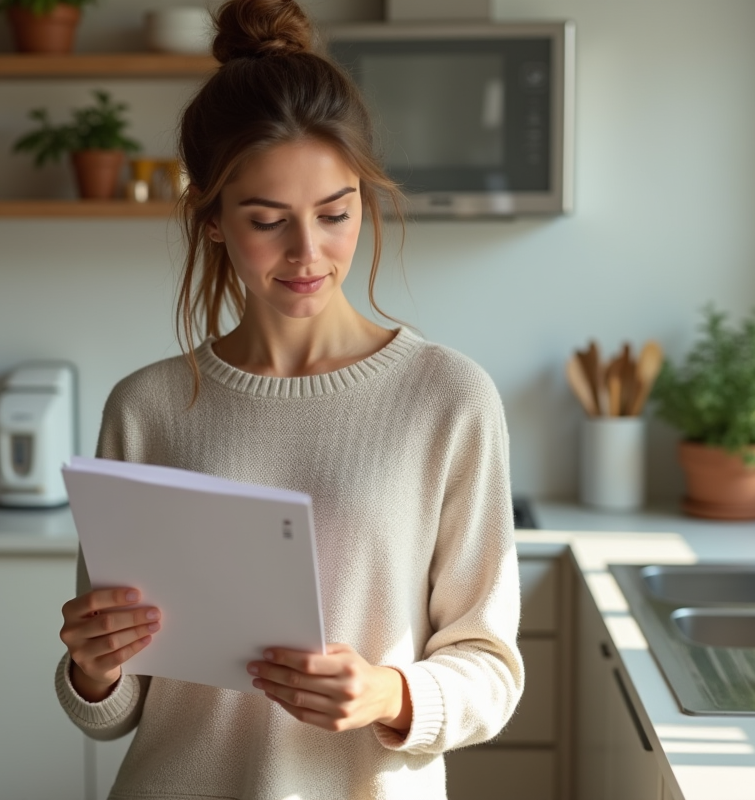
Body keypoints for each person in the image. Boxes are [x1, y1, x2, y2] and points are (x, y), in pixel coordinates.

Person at [55, 0, 524, 796]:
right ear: (211, 218)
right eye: (268, 221)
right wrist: (92, 669)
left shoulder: (448, 399)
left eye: (335, 214)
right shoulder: (145, 409)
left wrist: (392, 693)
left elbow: (491, 668)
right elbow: (115, 705)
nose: (309, 254)